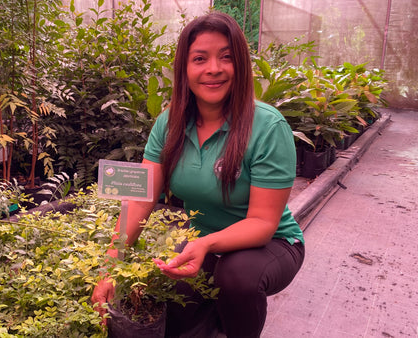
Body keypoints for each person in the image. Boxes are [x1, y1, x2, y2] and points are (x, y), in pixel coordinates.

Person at [92, 11, 305, 338]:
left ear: (241, 65)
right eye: (200, 58)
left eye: (226, 57)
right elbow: (141, 198)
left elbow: (263, 223)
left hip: (270, 243)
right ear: (185, 68)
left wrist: (206, 243)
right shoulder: (170, 123)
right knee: (178, 308)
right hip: (202, 238)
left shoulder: (267, 127)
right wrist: (109, 266)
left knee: (236, 277)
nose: (213, 69)